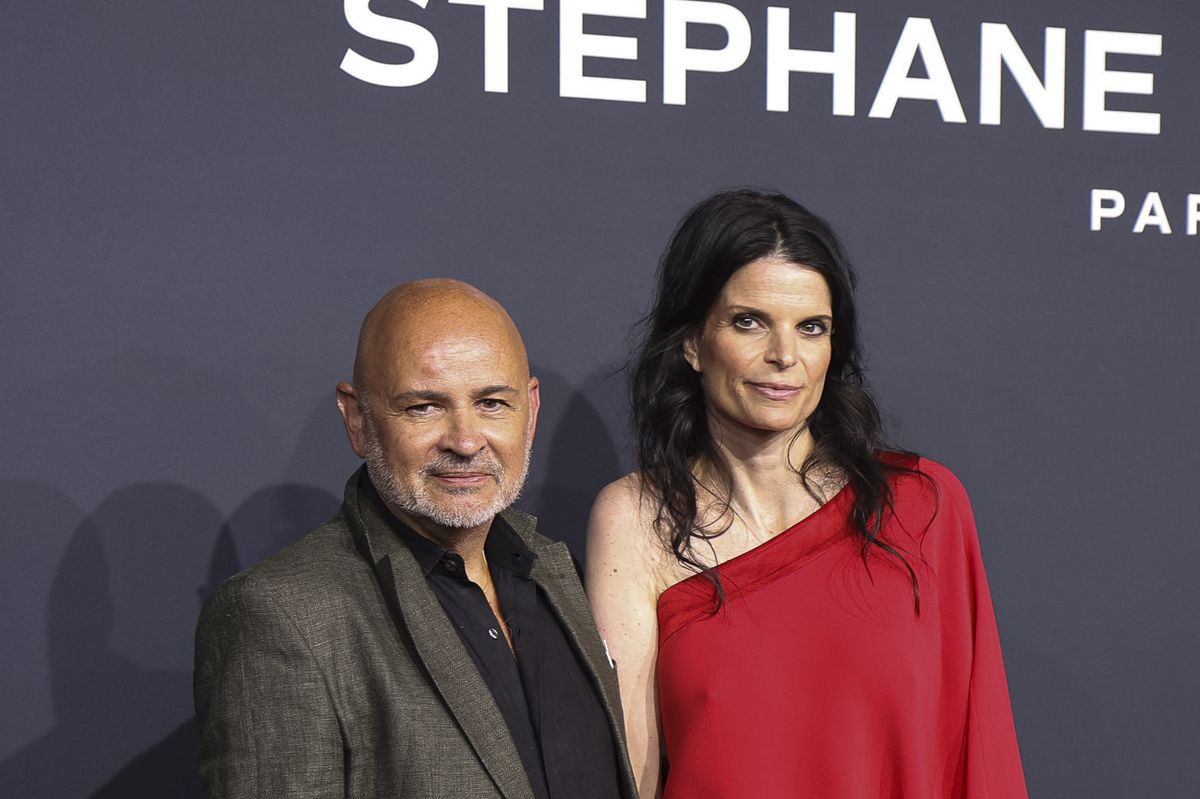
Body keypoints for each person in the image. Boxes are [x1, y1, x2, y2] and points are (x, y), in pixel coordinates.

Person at [586, 190, 1028, 798]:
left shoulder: (924, 506)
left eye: (811, 328)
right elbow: (626, 773)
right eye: (749, 322)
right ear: (692, 341)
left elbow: (978, 750)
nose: (784, 357)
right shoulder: (637, 520)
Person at [194, 279, 638, 799]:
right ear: (358, 420)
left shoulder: (556, 573)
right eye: (424, 407)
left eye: (492, 403)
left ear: (532, 413)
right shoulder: (282, 615)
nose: (466, 441)